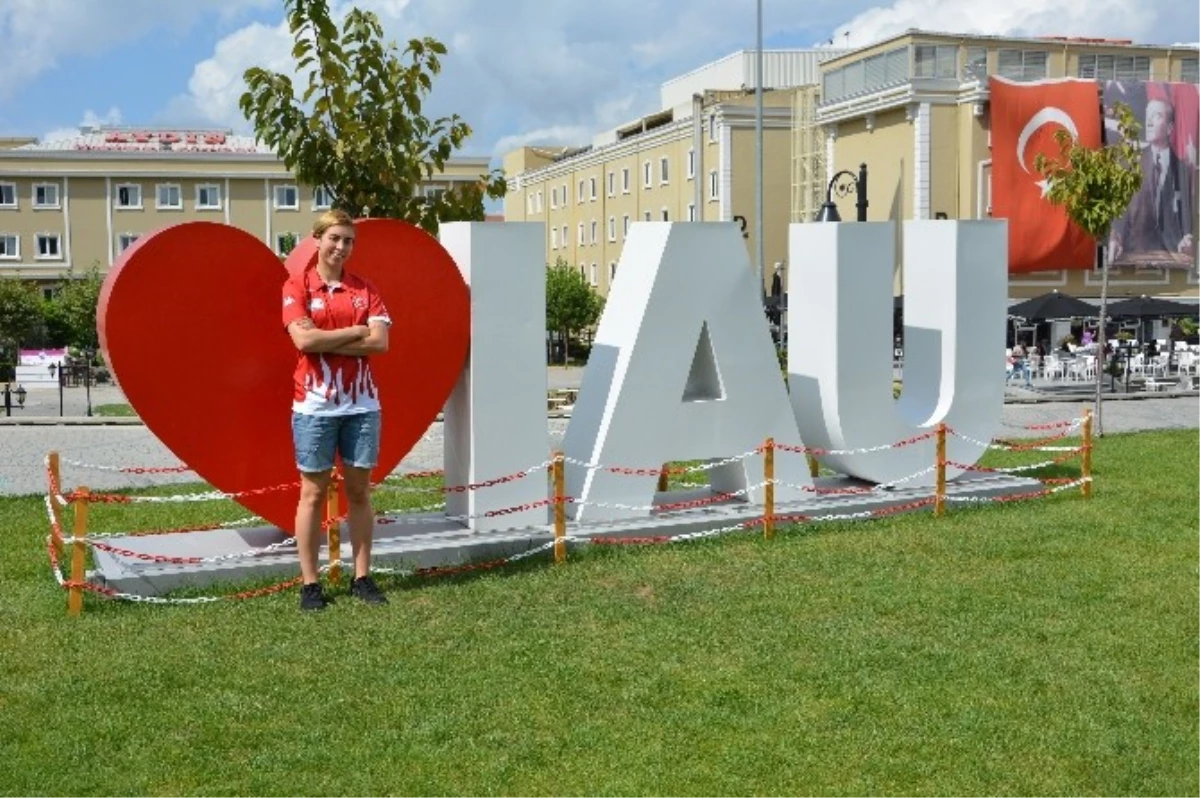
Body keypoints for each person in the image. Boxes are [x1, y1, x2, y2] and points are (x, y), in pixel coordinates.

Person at [281, 209, 391, 611]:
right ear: (317, 240)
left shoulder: (366, 289)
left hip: (362, 405)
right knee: (311, 494)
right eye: (335, 239)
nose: (341, 247)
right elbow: (304, 344)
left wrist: (326, 338)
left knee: (359, 492)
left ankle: (362, 577)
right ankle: (310, 584)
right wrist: (356, 331)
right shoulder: (297, 286)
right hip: (314, 406)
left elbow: (380, 344)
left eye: (348, 241)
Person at [1110, 96, 1195, 266]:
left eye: (1156, 116)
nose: (1148, 122)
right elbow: (1120, 211)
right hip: (1133, 254)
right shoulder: (1131, 164)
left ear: (1170, 128)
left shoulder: (1183, 170)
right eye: (1147, 116)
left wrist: (1187, 238)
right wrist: (1115, 237)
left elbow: (1187, 215)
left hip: (1171, 257)